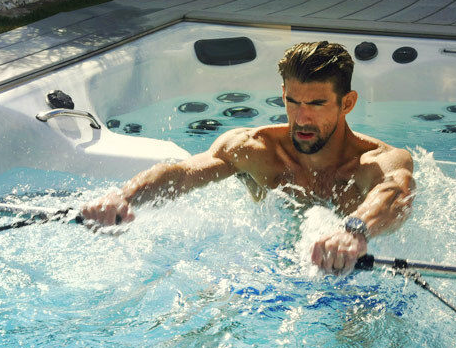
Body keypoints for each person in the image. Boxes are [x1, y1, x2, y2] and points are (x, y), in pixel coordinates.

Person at [78, 41, 415, 276]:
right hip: (269, 270)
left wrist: (354, 231)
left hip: (354, 276)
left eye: (316, 104)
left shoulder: (376, 160)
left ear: (348, 103)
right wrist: (123, 197)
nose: (301, 118)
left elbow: (395, 193)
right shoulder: (256, 149)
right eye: (293, 101)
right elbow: (181, 174)